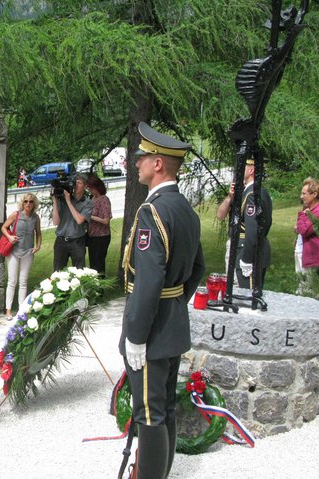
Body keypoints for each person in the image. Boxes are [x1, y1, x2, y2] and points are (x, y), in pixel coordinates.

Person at [119, 122, 205, 479]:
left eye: (142, 157)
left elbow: (149, 280)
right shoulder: (183, 207)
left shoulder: (151, 212)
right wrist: (175, 303)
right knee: (165, 408)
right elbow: (197, 267)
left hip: (151, 333)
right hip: (171, 324)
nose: (136, 163)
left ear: (158, 164)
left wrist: (137, 336)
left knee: (149, 414)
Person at [216, 159, 272, 289]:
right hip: (245, 247)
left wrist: (247, 259)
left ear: (251, 170)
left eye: (242, 167)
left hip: (246, 249)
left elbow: (252, 229)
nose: (237, 170)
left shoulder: (252, 194)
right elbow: (220, 215)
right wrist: (231, 197)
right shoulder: (247, 192)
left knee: (246, 295)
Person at [1, 193, 42, 320]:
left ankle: (21, 309)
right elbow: (3, 227)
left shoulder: (36, 217)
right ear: (22, 203)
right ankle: (8, 310)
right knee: (12, 281)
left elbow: (39, 233)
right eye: (25, 201)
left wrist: (38, 245)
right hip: (14, 251)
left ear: (34, 203)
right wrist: (9, 237)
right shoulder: (15, 215)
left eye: (30, 201)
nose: (28, 204)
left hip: (28, 252)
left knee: (23, 282)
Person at [295, 177, 319, 292]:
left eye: (304, 193)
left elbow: (304, 230)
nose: (301, 197)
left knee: (307, 289)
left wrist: (302, 216)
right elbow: (300, 228)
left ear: (314, 194)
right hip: (302, 251)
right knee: (302, 285)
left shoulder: (318, 212)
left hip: (313, 257)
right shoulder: (308, 209)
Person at [51, 172, 93, 271]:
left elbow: (79, 220)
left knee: (79, 272)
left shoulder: (87, 203)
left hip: (77, 242)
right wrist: (55, 202)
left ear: (85, 186)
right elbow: (56, 222)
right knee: (57, 272)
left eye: (79, 182)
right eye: (75, 182)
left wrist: (69, 201)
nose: (76, 185)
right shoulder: (63, 199)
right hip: (61, 241)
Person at [86, 174, 112, 276]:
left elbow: (106, 221)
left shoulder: (104, 199)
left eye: (91, 188)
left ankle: (100, 287)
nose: (89, 190)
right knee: (92, 264)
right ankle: (94, 287)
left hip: (102, 237)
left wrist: (90, 216)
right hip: (92, 236)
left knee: (99, 264)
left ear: (96, 187)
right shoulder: (92, 199)